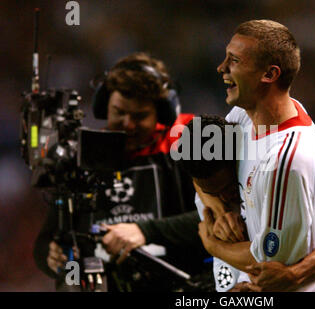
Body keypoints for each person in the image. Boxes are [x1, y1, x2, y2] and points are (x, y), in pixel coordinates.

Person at [188, 20, 315, 291]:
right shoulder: (247, 116)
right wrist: (220, 210)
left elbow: (267, 265)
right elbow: (200, 167)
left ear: (269, 75)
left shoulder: (284, 162)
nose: (221, 68)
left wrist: (212, 244)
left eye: (235, 60)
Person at [33, 52, 211, 291]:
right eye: (119, 112)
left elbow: (214, 217)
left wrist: (144, 231)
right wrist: (51, 257)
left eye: (140, 116)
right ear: (103, 106)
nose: (128, 124)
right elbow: (46, 240)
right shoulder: (82, 156)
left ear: (163, 113)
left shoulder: (185, 146)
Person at [178, 115, 315, 292]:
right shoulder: (211, 182)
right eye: (212, 192)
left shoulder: (295, 157)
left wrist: (214, 246)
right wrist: (219, 211)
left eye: (228, 188)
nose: (224, 197)